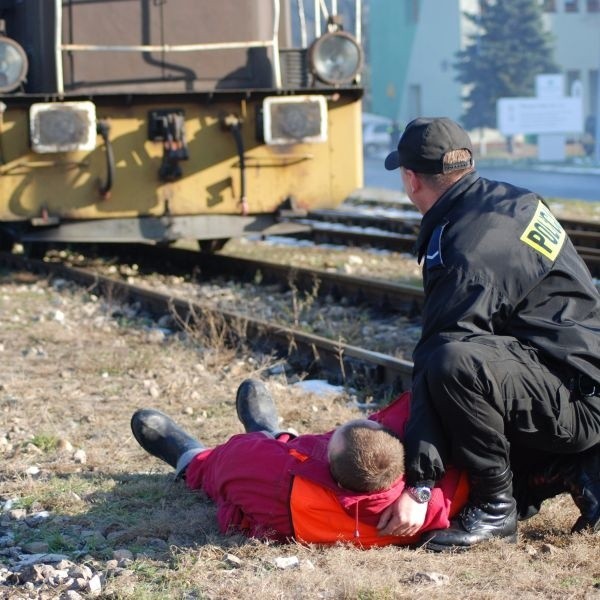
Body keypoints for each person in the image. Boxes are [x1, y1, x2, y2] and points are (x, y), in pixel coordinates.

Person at [379, 117, 600, 551]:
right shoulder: (509, 201)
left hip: (575, 399)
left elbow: (440, 354)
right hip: (573, 380)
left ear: (410, 179)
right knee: (463, 376)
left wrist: (419, 485)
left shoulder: (465, 249)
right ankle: (572, 467)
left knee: (452, 365)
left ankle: (497, 507)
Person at [131, 379, 470, 547]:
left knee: (212, 464)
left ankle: (189, 454)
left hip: (285, 495)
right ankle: (273, 432)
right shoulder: (439, 503)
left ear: (331, 473)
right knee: (283, 446)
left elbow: (229, 463)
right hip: (330, 495)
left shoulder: (279, 485)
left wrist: (250, 447)